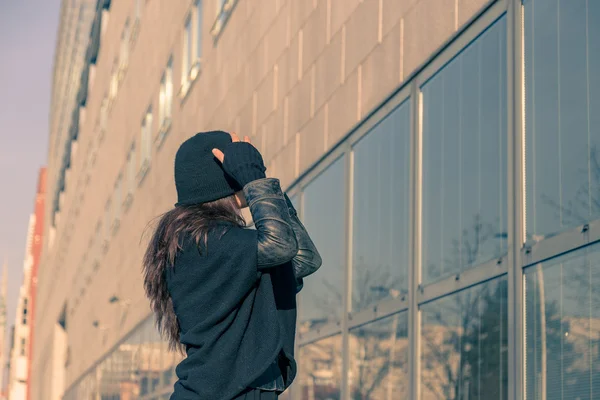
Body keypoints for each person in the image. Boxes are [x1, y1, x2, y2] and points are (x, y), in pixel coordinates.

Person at [142, 131, 322, 399]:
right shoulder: (197, 243)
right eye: (237, 169)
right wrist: (254, 178)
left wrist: (260, 181)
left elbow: (304, 259)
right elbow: (280, 246)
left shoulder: (230, 247)